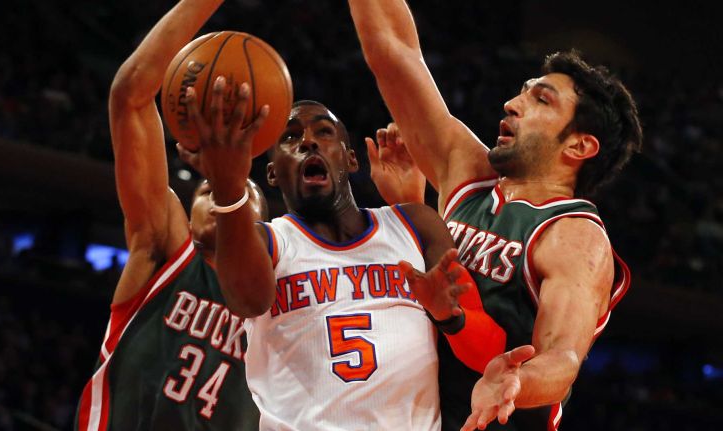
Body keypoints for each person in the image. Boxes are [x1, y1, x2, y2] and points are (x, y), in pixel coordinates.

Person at [348, 1, 642, 430]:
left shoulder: (575, 236)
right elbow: (394, 52)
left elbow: (563, 357)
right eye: (521, 91)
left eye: (540, 99)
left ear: (579, 146)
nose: (510, 104)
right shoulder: (468, 171)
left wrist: (515, 382)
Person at [182, 72, 507, 428]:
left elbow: (489, 352)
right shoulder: (267, 241)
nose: (308, 141)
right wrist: (229, 191)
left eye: (323, 131)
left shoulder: (416, 224)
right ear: (273, 173)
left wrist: (450, 317)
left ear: (351, 160)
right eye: (290, 137)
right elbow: (247, 302)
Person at [75, 1, 274, 430]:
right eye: (207, 190)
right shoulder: (163, 247)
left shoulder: (280, 310)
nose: (217, 198)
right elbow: (129, 97)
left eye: (239, 196)